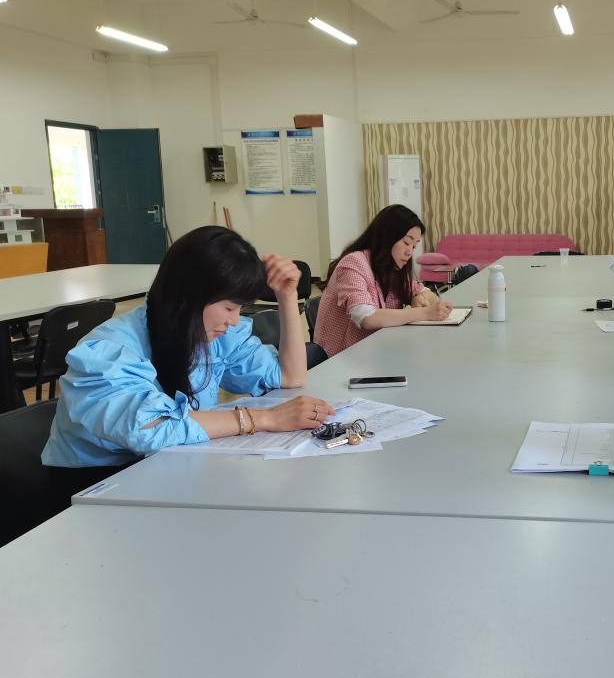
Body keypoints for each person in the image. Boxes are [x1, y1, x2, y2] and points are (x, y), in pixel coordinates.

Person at [42, 226, 330, 494]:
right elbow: (150, 429)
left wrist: (286, 297)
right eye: (229, 307)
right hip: (97, 485)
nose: (234, 320)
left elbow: (289, 376)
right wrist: (265, 418)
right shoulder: (108, 351)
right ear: (189, 297)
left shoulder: (212, 334)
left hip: (173, 465)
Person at [315, 204, 453, 357]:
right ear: (387, 236)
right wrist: (424, 313)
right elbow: (366, 317)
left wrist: (418, 298)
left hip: (376, 352)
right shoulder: (354, 263)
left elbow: (429, 294)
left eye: (414, 246)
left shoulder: (390, 268)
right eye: (406, 243)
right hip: (342, 358)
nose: (409, 252)